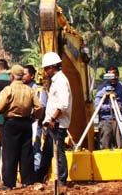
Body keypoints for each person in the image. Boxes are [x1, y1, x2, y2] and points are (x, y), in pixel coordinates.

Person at [0, 65, 43, 190]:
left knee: (10, 153)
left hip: (11, 123)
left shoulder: (8, 89)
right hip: (26, 123)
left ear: (12, 76)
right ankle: (28, 181)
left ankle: (8, 183)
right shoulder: (30, 90)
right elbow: (39, 107)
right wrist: (33, 118)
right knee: (26, 152)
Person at [37, 51, 71, 186]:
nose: (45, 71)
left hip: (57, 123)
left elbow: (63, 104)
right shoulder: (56, 81)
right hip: (52, 122)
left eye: (46, 68)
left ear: (52, 67)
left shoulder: (61, 81)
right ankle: (39, 177)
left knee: (58, 151)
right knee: (48, 151)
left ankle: (62, 179)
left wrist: (52, 119)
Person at [22, 64, 47, 181]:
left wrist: (35, 118)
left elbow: (42, 106)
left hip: (35, 123)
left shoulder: (38, 90)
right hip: (24, 122)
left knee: (35, 147)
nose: (22, 76)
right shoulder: (21, 88)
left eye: (25, 74)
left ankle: (36, 173)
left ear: (32, 76)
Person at [94, 66, 122, 149]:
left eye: (114, 75)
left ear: (117, 75)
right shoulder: (102, 89)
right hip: (106, 120)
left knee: (121, 144)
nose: (112, 78)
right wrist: (111, 107)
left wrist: (121, 106)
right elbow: (97, 106)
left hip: (118, 119)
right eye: (109, 75)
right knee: (105, 141)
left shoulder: (121, 87)